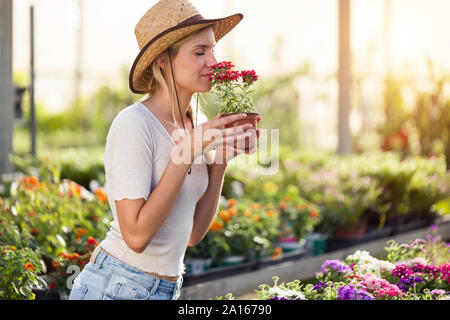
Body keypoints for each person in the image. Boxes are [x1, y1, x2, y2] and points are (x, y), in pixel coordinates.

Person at [69, 0, 261, 300]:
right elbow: (136, 236)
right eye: (200, 52)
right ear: (163, 60)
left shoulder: (193, 123)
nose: (213, 61)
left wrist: (221, 161)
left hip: (167, 289)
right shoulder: (134, 125)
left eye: (213, 50)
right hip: (117, 285)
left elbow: (194, 234)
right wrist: (185, 153)